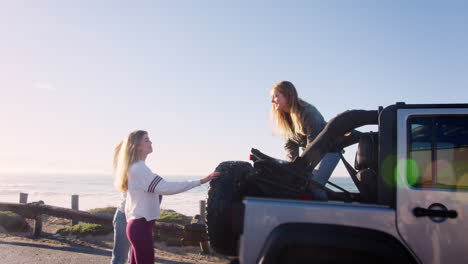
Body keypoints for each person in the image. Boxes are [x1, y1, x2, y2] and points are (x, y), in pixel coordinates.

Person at [113, 130, 220, 264]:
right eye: (146, 140)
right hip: (140, 227)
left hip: (139, 226)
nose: (150, 142)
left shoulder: (136, 168)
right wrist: (201, 181)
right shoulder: (139, 169)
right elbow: (167, 187)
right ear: (136, 146)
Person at [270, 80, 340, 200]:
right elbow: (290, 147)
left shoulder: (308, 112)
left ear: (288, 95)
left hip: (328, 151)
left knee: (314, 189)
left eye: (276, 96)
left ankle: (323, 214)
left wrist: (303, 170)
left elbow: (315, 144)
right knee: (297, 187)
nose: (272, 101)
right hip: (310, 153)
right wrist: (292, 170)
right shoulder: (285, 119)